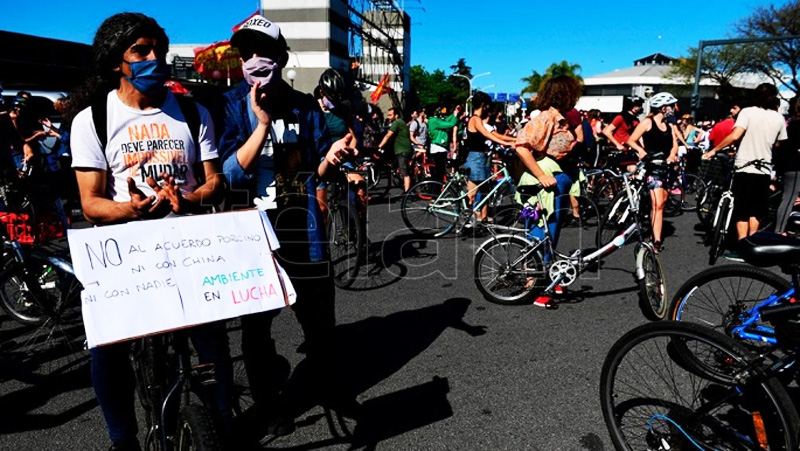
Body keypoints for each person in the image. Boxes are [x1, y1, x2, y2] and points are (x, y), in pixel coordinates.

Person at [67, 13, 230, 451]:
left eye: (158, 48)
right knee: (108, 349)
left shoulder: (192, 111)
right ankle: (123, 440)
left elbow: (214, 181)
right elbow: (90, 202)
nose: (154, 58)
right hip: (125, 252)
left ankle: (220, 421)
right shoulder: (93, 119)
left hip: (188, 247)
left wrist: (190, 199)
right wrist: (128, 208)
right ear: (115, 61)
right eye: (140, 51)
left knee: (213, 343)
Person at [217, 14, 356, 441]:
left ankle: (326, 387)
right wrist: (260, 124)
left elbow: (315, 166)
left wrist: (331, 157)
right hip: (253, 233)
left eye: (263, 51)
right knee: (257, 327)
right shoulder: (231, 104)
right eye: (246, 52)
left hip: (302, 229)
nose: (254, 59)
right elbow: (228, 176)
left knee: (319, 320)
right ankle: (269, 404)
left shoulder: (304, 106)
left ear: (281, 56)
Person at [514, 75, 583, 307]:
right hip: (546, 182)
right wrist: (541, 176)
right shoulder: (546, 117)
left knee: (552, 233)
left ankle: (548, 279)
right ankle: (533, 286)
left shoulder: (560, 117)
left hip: (559, 181)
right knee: (540, 234)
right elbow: (521, 147)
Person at [703, 83, 788, 241]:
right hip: (764, 169)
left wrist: (714, 150)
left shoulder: (747, 112)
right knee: (756, 210)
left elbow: (735, 135)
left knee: (742, 209)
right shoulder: (779, 118)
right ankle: (752, 241)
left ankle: (742, 243)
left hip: (745, 166)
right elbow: (779, 144)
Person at [627, 92, 679, 253]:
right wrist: (641, 151)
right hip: (652, 167)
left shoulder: (669, 125)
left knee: (661, 204)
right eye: (671, 106)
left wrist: (672, 155)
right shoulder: (647, 122)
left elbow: (675, 144)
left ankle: (652, 231)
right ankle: (656, 240)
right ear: (663, 108)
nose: (673, 109)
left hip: (667, 168)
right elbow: (631, 140)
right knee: (658, 204)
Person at [462, 91, 514, 223]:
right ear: (483, 105)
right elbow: (488, 134)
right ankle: (468, 219)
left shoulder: (476, 119)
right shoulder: (475, 119)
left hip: (479, 158)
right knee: (472, 194)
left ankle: (483, 219)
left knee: (484, 190)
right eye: (487, 105)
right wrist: (507, 143)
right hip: (476, 158)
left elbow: (493, 134)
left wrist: (513, 140)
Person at [774, 96, 800, 234]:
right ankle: (779, 231)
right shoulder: (796, 125)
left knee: (788, 197)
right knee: (789, 198)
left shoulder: (791, 124)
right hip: (795, 167)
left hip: (787, 166)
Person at [377, 106, 413, 193]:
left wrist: (379, 146)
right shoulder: (400, 122)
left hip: (402, 150)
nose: (388, 117)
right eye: (388, 115)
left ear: (396, 115)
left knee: (405, 173)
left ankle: (407, 194)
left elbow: (388, 135)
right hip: (402, 149)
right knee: (399, 168)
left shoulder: (397, 122)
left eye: (390, 115)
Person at [602, 96, 643, 165]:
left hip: (630, 149)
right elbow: (607, 132)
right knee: (631, 167)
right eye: (635, 105)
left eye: (639, 106)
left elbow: (639, 135)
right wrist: (617, 145)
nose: (637, 108)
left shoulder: (636, 120)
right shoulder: (620, 117)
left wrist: (642, 148)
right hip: (619, 150)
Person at [426, 103, 461, 182]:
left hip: (440, 147)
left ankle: (438, 186)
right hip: (438, 148)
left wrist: (454, 113)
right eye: (438, 109)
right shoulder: (434, 121)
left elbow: (446, 120)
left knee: (440, 170)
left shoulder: (435, 120)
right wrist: (455, 115)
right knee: (439, 171)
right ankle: (437, 187)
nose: (440, 110)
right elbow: (450, 124)